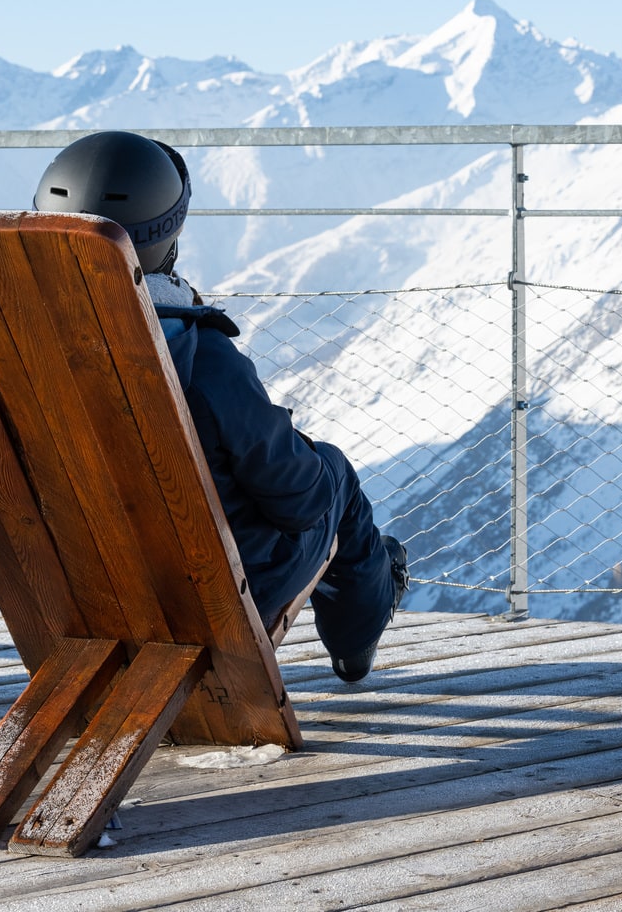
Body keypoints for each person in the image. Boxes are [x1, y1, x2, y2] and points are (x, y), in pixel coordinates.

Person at [34, 129, 409, 682]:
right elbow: (300, 502)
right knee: (334, 475)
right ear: (166, 237)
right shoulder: (198, 357)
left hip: (75, 586)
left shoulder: (14, 340)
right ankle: (358, 633)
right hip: (208, 599)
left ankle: (370, 580)